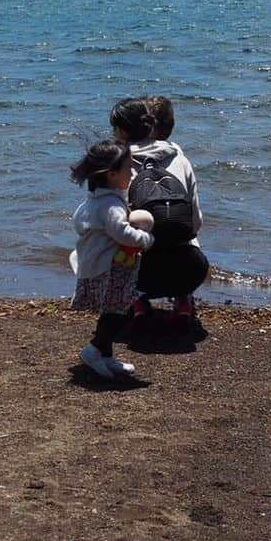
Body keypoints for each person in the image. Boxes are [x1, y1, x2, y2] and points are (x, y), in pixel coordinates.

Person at [109, 97, 208, 332]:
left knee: (114, 230)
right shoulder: (180, 159)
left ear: (123, 131)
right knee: (185, 231)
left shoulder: (119, 163)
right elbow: (196, 223)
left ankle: (138, 303)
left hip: (141, 273)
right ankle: (183, 300)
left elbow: (113, 224)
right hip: (191, 270)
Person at [69, 139, 154, 380]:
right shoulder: (110, 205)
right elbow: (122, 232)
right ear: (112, 174)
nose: (133, 172)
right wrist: (145, 238)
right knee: (121, 311)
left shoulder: (93, 200)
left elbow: (79, 223)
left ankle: (105, 355)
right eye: (129, 168)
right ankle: (95, 349)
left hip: (98, 266)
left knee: (112, 311)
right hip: (110, 268)